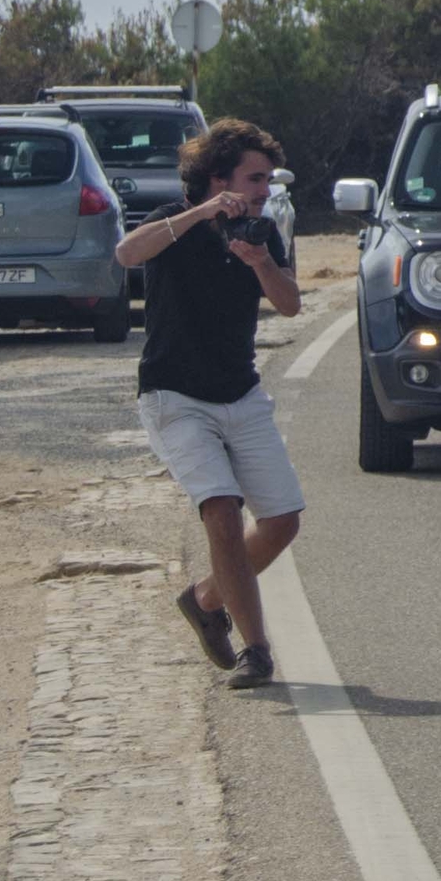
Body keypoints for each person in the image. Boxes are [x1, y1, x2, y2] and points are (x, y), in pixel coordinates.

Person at [113, 120, 304, 690]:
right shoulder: (172, 222)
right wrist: (200, 215)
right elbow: (126, 254)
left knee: (281, 522)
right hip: (174, 396)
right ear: (219, 179)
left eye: (268, 179)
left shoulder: (264, 230)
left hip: (240, 392)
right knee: (222, 513)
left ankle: (204, 599)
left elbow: (291, 305)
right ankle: (258, 651)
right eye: (254, 178)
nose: (264, 189)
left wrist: (261, 263)